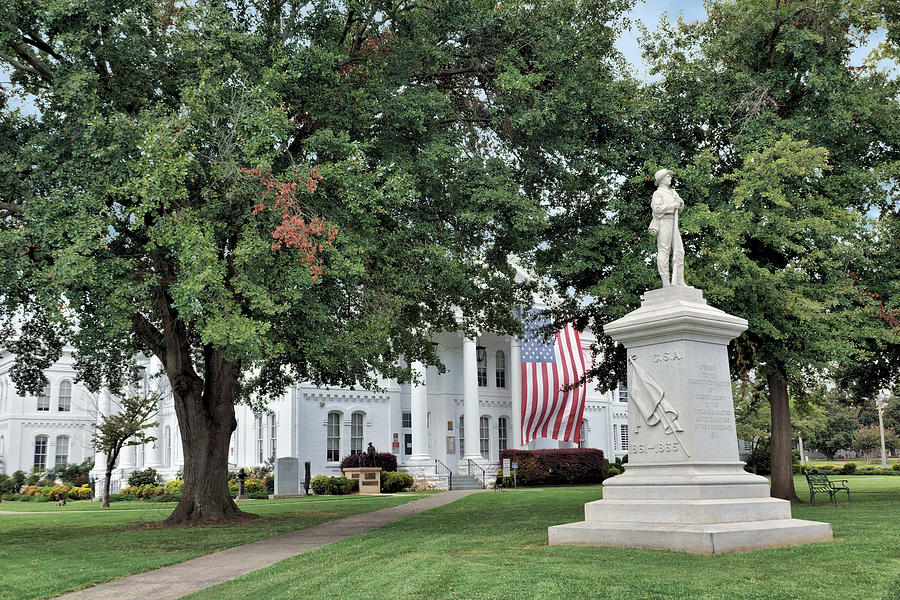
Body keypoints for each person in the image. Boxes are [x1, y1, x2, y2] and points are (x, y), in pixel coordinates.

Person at [649, 169, 686, 287]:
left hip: (674, 222)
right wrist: (672, 206)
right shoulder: (658, 193)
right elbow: (657, 208)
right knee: (664, 251)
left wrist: (680, 203)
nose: (670, 178)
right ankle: (666, 281)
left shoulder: (673, 192)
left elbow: (680, 206)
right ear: (661, 179)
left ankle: (679, 280)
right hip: (664, 222)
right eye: (668, 177)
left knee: (680, 251)